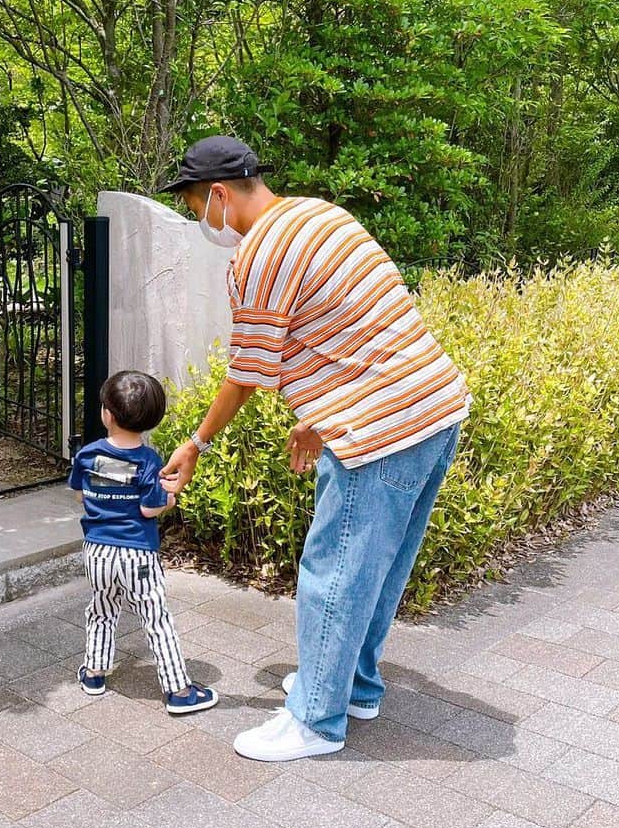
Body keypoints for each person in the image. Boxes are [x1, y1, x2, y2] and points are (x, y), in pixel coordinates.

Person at [158, 135, 471, 761]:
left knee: (334, 572)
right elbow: (357, 326)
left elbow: (246, 372)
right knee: (378, 570)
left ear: (217, 194)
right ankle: (354, 687)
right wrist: (318, 415)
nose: (202, 221)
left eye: (196, 207)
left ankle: (316, 721)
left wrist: (195, 442)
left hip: (380, 431)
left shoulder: (258, 256)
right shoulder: (322, 215)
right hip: (435, 406)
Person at [70, 370, 219, 715]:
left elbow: (80, 494)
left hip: (97, 551)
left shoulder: (88, 455)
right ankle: (178, 690)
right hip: (136, 554)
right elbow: (148, 509)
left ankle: (94, 672)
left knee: (102, 608)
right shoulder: (148, 461)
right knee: (156, 619)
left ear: (107, 413)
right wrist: (169, 501)